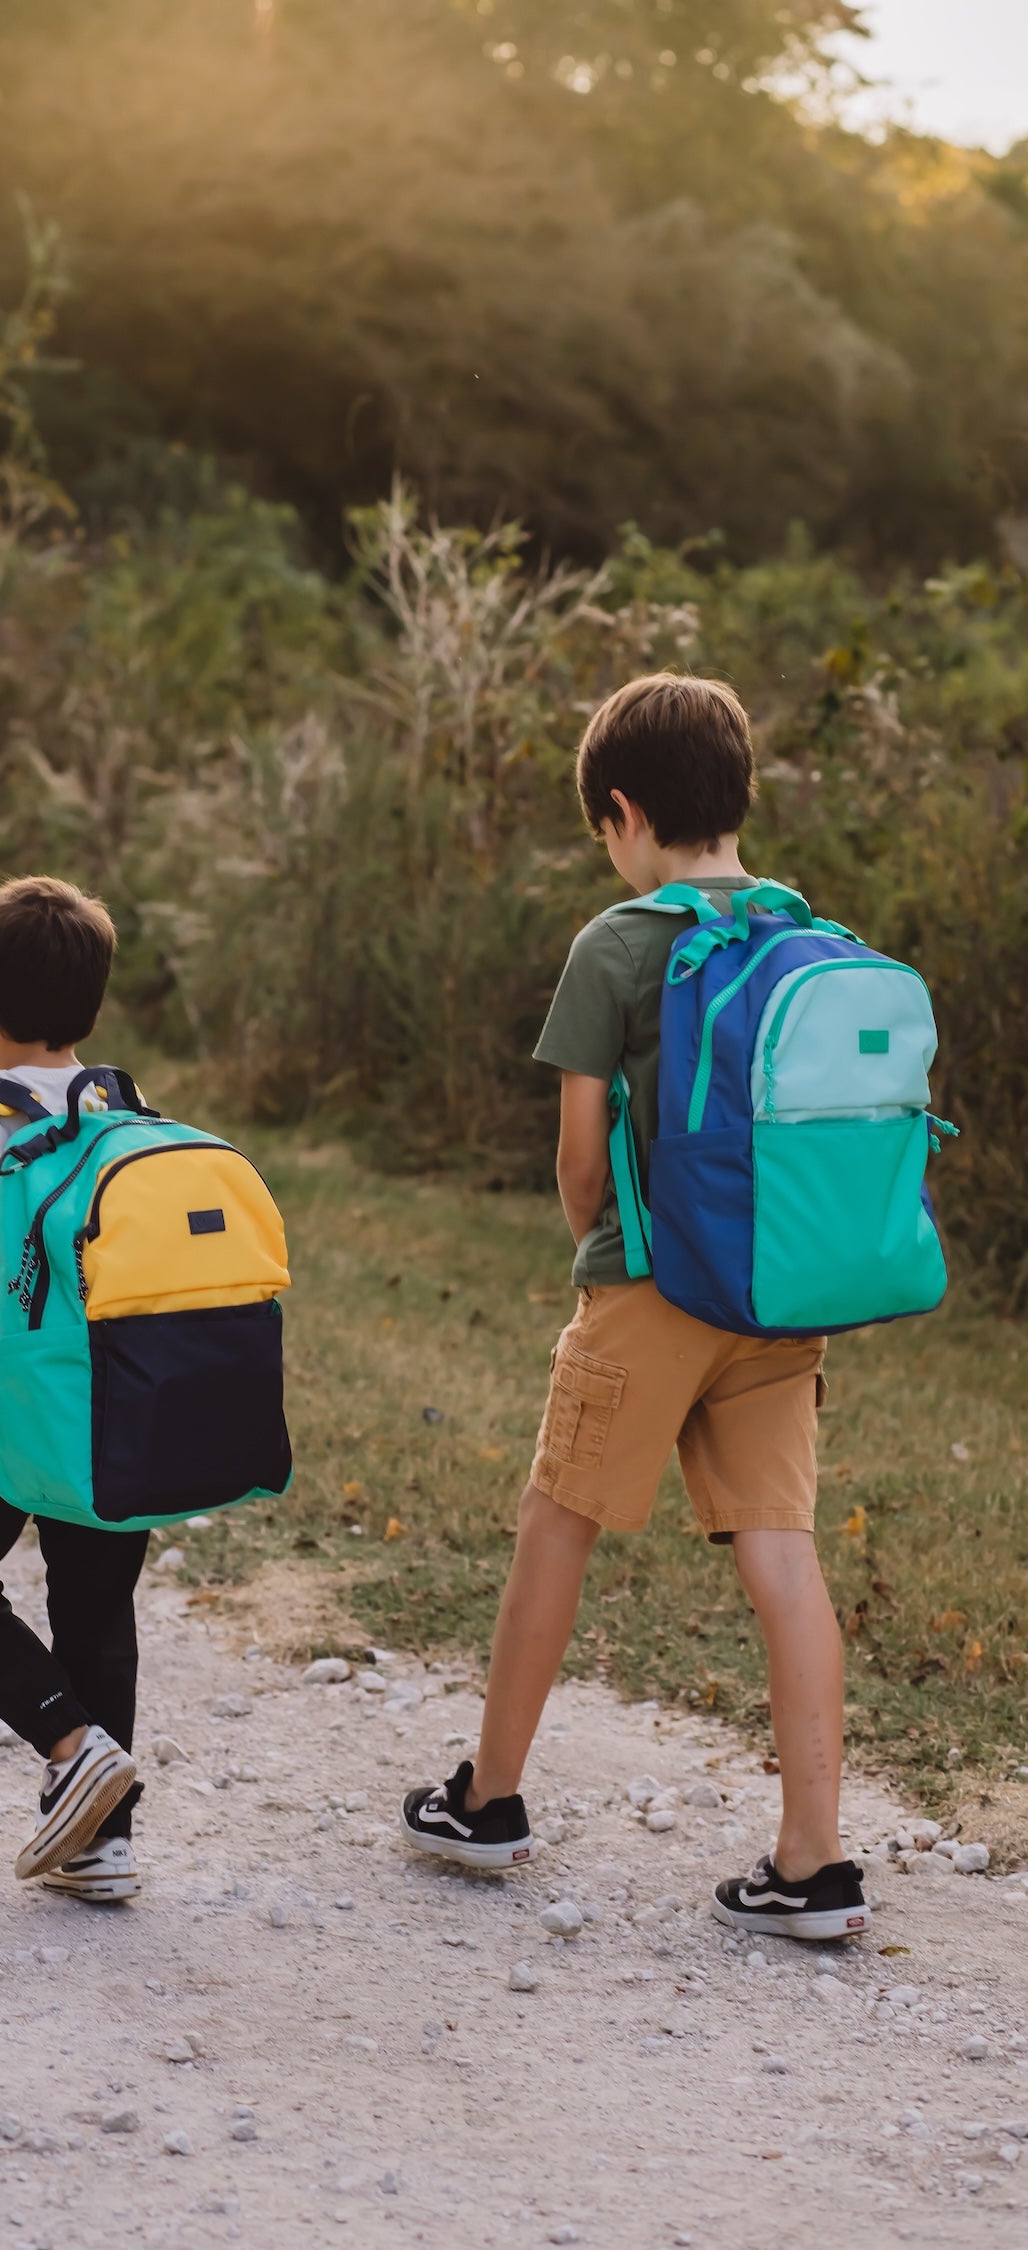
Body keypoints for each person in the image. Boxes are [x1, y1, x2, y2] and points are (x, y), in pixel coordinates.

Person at [400, 674, 871, 1942]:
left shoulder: (619, 943)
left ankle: (488, 1801)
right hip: (779, 1297)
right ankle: (816, 1864)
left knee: (559, 1520)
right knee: (783, 1553)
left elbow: (577, 1151)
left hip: (653, 1285)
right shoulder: (801, 931)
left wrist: (603, 1258)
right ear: (736, 799)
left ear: (621, 813)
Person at [0, 875, 143, 1903]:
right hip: (127, 1403)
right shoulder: (125, 1111)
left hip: (16, 1407)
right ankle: (104, 1844)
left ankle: (68, 1740)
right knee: (96, 1605)